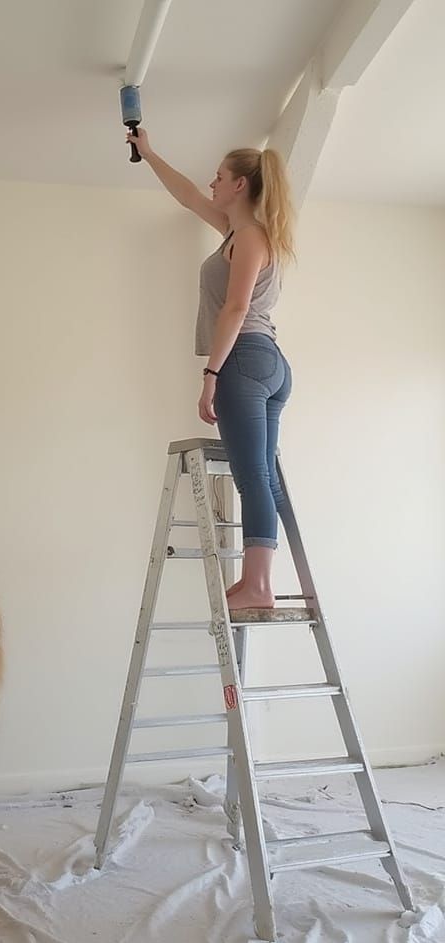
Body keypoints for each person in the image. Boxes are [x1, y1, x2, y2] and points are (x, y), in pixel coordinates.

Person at [127, 127, 296, 613]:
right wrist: (149, 153)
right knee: (262, 475)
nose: (212, 183)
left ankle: (258, 585)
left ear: (240, 185)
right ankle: (259, 580)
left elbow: (236, 308)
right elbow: (187, 195)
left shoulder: (249, 237)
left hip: (244, 359)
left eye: (220, 177)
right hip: (269, 362)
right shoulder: (238, 232)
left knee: (252, 475)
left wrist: (211, 375)